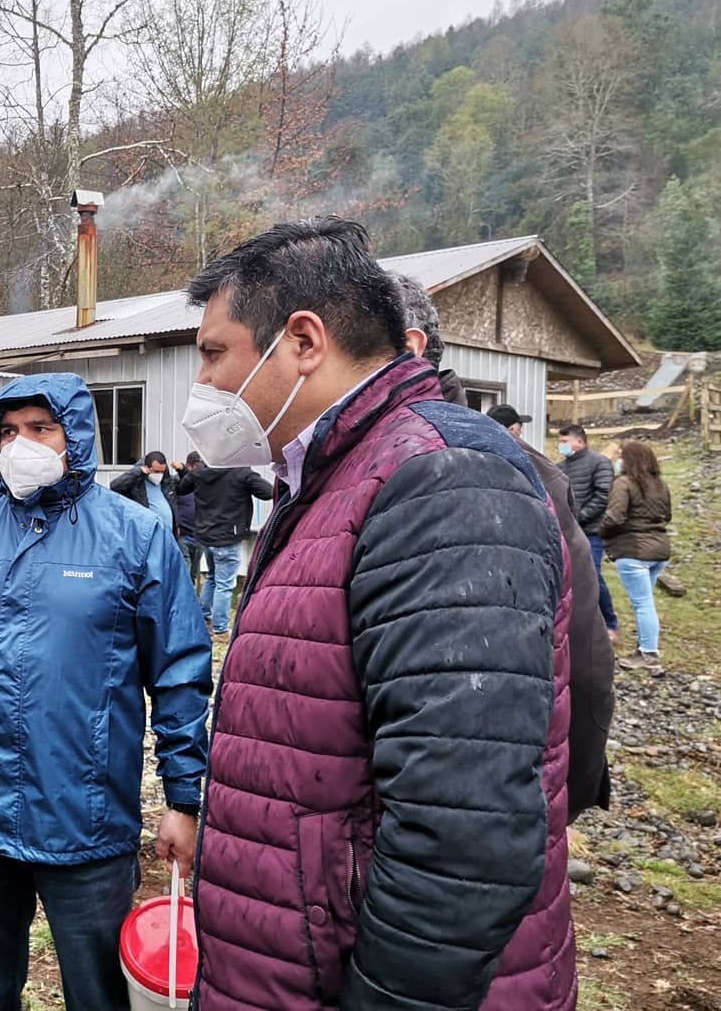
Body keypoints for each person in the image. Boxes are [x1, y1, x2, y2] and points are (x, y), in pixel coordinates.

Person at [183, 219, 574, 1009]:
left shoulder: (443, 483)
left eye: (214, 352)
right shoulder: (329, 478)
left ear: (302, 341)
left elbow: (461, 834)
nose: (206, 384)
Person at [0, 373, 212, 1011]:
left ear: (76, 437)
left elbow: (180, 674)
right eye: (7, 431)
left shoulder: (134, 536)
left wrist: (184, 797)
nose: (20, 444)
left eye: (40, 429)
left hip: (85, 822)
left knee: (97, 996)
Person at [401, 275, 612, 821]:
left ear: (410, 348)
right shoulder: (322, 467)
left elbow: (578, 654)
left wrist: (569, 789)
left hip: (452, 835)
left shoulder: (495, 472)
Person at [172, 454, 272, 638]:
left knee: (212, 578)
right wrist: (249, 475)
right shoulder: (241, 473)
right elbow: (268, 492)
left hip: (205, 536)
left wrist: (187, 472)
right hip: (227, 537)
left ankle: (203, 617)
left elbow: (181, 488)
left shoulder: (200, 473)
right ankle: (220, 628)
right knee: (224, 585)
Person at [602, 441, 673, 672]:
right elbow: (667, 515)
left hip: (633, 550)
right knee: (645, 603)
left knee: (642, 603)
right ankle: (644, 649)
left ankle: (649, 653)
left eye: (621, 456)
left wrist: (601, 532)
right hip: (659, 550)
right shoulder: (660, 485)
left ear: (629, 460)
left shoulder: (623, 483)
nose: (618, 460)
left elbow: (614, 516)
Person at [559, 424, 621, 643]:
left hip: (590, 532)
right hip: (568, 531)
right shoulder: (561, 467)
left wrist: (579, 517)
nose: (561, 446)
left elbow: (603, 495)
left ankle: (610, 623)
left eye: (565, 442)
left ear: (580, 441)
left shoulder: (599, 462)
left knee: (592, 576)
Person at [110, 449, 179, 536]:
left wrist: (182, 470)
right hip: (146, 535)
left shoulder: (167, 483)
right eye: (156, 471)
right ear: (146, 467)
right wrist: (137, 471)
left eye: (162, 471)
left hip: (168, 535)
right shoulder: (137, 483)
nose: (160, 474)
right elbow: (115, 486)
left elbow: (187, 486)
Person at [172, 451, 208, 593]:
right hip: (183, 534)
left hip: (200, 535)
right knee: (184, 572)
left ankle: (194, 602)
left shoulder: (205, 482)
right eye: (197, 467)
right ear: (189, 466)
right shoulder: (177, 481)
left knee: (194, 573)